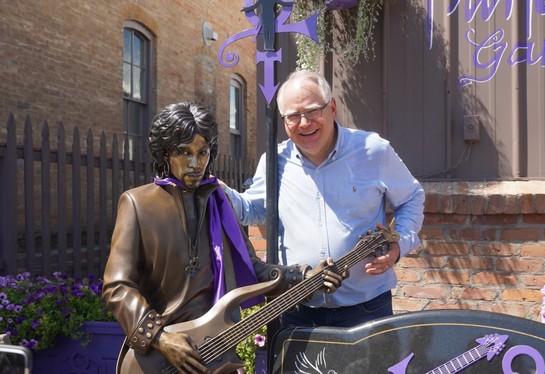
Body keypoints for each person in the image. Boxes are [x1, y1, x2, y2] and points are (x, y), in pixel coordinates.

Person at [102, 102, 346, 373]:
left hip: (217, 352)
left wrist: (304, 277)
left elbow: (254, 270)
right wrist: (161, 338)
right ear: (165, 153)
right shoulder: (137, 203)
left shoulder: (220, 202)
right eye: (184, 153)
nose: (196, 164)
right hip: (160, 356)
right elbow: (118, 286)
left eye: (202, 152)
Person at [222, 70, 425, 329]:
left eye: (312, 111)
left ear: (332, 107)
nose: (304, 123)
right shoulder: (275, 162)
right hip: (298, 306)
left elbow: (412, 198)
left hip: (366, 307)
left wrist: (399, 246)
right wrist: (215, 188)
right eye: (293, 116)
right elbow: (252, 210)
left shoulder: (373, 151)